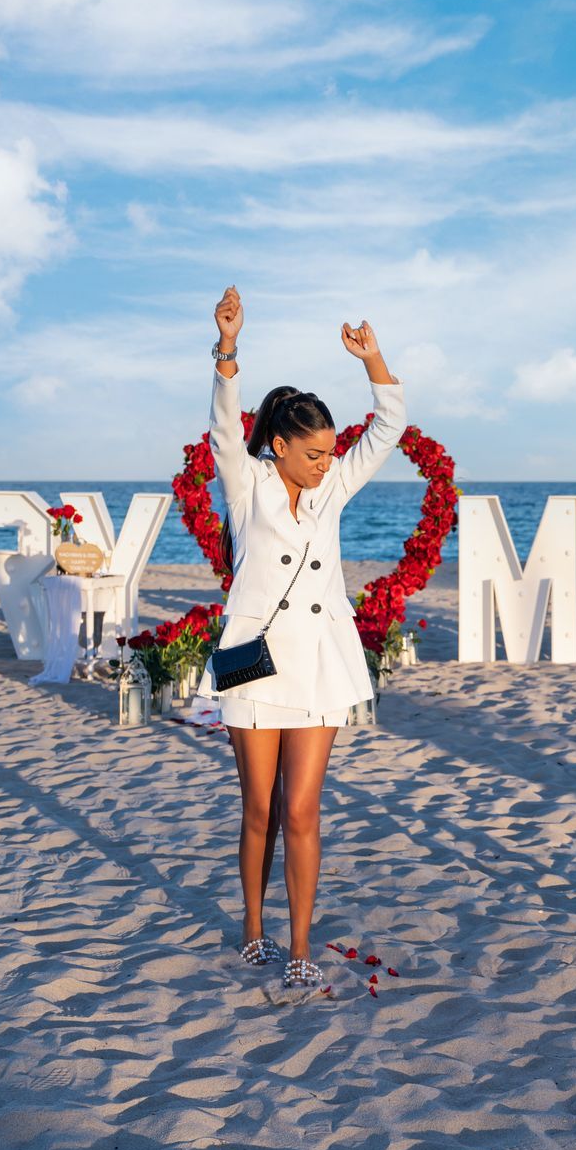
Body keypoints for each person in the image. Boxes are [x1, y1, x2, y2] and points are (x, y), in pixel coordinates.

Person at [202, 285, 404, 989]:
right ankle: (254, 924)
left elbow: (389, 427)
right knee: (259, 807)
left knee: (303, 809)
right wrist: (229, 348)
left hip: (319, 665)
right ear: (280, 446)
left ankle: (299, 943)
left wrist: (371, 356)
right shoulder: (248, 482)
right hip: (253, 663)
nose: (325, 462)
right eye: (313, 452)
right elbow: (226, 428)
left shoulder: (334, 487)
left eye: (330, 452)